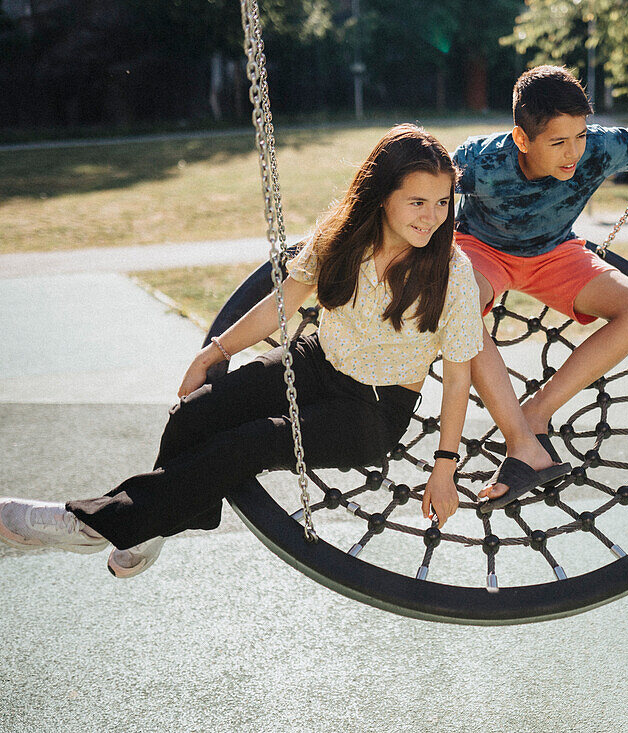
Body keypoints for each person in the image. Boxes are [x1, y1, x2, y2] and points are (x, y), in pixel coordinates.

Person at [0, 124, 483, 576]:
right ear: (381, 197)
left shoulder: (452, 273)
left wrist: (444, 467)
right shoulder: (342, 237)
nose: (433, 217)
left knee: (249, 443)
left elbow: (458, 377)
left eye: (442, 202)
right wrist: (213, 352)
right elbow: (281, 305)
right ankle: (156, 519)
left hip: (373, 410)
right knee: (195, 413)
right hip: (315, 361)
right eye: (418, 201)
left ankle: (88, 524)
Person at [454, 64, 628, 508]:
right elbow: (420, 190)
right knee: (455, 302)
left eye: (579, 136)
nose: (573, 153)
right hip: (483, 249)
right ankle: (520, 440)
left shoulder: (597, 148)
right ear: (522, 139)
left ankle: (536, 413)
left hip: (555, 254)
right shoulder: (480, 160)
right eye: (558, 142)